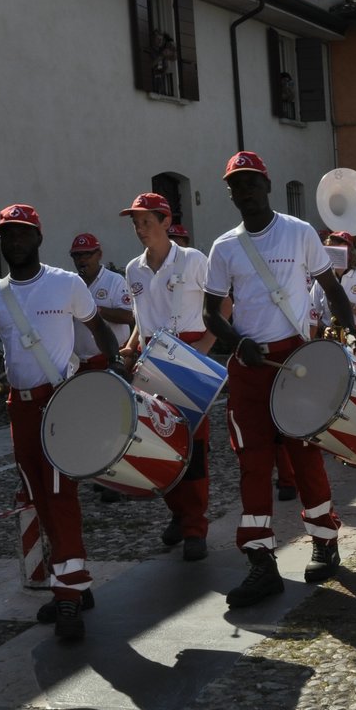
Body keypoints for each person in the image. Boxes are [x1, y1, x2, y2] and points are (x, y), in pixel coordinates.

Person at [0, 204, 119, 642]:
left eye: (22, 234)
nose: (15, 241)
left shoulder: (65, 284)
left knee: (61, 496)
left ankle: (66, 595)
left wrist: (110, 369)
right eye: (7, 235)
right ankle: (76, 582)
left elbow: (98, 328)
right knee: (39, 496)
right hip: (19, 409)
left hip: (60, 403)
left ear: (38, 238)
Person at [202, 151, 356, 607]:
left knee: (304, 456)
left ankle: (325, 543)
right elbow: (211, 312)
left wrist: (346, 335)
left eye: (251, 182)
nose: (244, 191)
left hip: (297, 362)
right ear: (230, 193)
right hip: (250, 369)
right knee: (252, 464)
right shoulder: (224, 247)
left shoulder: (299, 232)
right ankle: (260, 562)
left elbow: (331, 289)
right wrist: (234, 340)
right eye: (236, 185)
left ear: (266, 186)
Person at [119, 192, 214, 562]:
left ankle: (195, 526)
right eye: (136, 223)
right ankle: (178, 513)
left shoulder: (193, 260)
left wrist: (204, 348)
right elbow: (141, 318)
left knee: (195, 447)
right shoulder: (133, 269)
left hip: (187, 354)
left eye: (146, 221)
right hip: (151, 357)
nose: (140, 229)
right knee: (159, 440)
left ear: (165, 222)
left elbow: (222, 304)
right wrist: (130, 347)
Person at [67, 232, 134, 373]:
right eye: (77, 255)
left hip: (111, 359)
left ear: (99, 254)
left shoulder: (114, 280)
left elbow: (128, 316)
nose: (82, 260)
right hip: (79, 364)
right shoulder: (71, 284)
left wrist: (93, 310)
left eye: (87, 254)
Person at [309, 230, 356, 358]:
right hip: (331, 338)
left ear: (350, 253)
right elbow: (313, 313)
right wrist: (324, 328)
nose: (334, 252)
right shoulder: (321, 280)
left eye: (339, 248)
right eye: (330, 248)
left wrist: (345, 304)